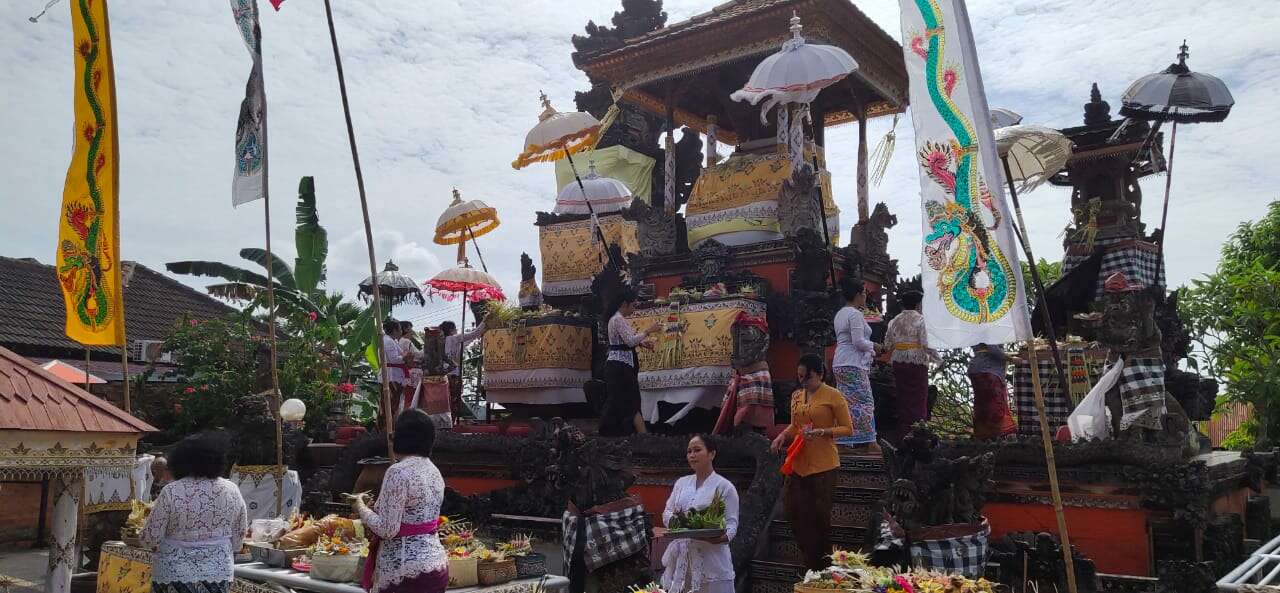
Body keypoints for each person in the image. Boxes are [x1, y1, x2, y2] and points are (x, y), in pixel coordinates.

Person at [350, 409, 448, 593]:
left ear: (401, 437)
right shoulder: (434, 471)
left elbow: (388, 529)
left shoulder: (398, 471)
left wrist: (360, 507)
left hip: (405, 572)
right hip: (436, 565)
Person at [770, 354, 853, 571]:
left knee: (819, 518)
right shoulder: (797, 396)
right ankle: (811, 558)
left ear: (819, 374)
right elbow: (794, 426)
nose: (802, 382)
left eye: (807, 377)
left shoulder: (833, 396)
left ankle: (821, 567)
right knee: (792, 510)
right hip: (798, 461)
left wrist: (823, 431)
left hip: (824, 465)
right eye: (799, 377)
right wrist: (781, 436)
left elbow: (848, 428)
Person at [141, 434, 248, 593]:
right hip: (218, 572)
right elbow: (239, 538)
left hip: (174, 572)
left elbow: (149, 538)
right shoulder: (231, 489)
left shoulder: (172, 491)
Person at [660, 435, 740, 593]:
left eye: (697, 450)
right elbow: (667, 513)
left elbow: (731, 524)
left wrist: (717, 537)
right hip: (682, 561)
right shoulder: (681, 483)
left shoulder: (725, 487)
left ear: (712, 454)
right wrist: (683, 523)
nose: (692, 455)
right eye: (689, 451)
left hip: (712, 561)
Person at [881, 290, 940, 443]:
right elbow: (926, 344)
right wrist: (939, 360)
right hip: (916, 363)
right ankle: (918, 437)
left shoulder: (894, 320)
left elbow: (887, 345)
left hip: (898, 362)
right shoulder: (921, 320)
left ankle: (904, 435)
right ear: (918, 304)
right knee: (918, 400)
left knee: (903, 400)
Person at [600, 289, 660, 437]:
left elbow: (627, 340)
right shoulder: (618, 319)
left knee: (621, 401)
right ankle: (643, 434)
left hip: (618, 365)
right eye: (632, 306)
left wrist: (643, 343)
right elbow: (630, 341)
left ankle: (625, 433)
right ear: (624, 304)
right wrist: (648, 331)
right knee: (631, 401)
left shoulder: (616, 319)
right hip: (620, 367)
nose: (634, 309)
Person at [832, 277, 879, 451]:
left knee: (845, 402)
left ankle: (844, 440)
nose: (865, 297)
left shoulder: (840, 314)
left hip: (840, 362)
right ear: (859, 295)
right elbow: (858, 341)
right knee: (865, 401)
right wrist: (874, 346)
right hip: (853, 363)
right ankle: (870, 441)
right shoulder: (855, 314)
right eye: (864, 293)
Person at [968, 343, 1018, 440]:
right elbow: (993, 349)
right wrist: (1012, 359)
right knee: (994, 405)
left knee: (982, 405)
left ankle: (983, 435)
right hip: (988, 369)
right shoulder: (989, 330)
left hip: (977, 369)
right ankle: (996, 434)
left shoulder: (976, 330)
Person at [440, 319, 485, 420]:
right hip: (454, 373)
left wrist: (477, 334)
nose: (456, 330)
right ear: (451, 330)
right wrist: (485, 321)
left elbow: (468, 340)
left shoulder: (444, 341)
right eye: (455, 328)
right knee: (454, 398)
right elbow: (474, 333)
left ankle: (447, 420)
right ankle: (451, 420)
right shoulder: (454, 338)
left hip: (444, 374)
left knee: (448, 398)